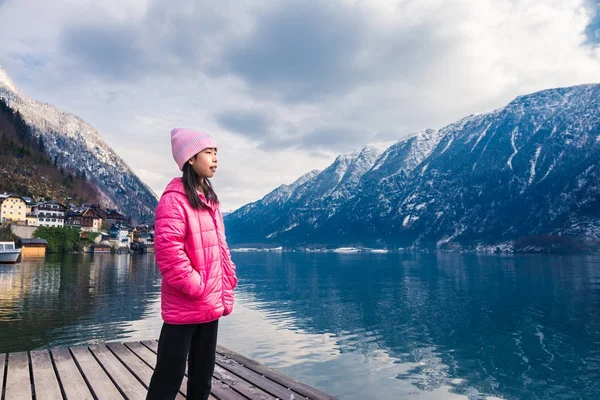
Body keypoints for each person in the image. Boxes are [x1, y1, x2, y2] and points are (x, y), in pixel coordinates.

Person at [146, 128, 238, 400]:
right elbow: (168, 252)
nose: (215, 158)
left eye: (216, 152)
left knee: (202, 376)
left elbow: (220, 247)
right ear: (190, 158)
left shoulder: (210, 199)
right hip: (187, 302)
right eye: (209, 152)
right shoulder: (174, 200)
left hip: (210, 301)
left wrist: (227, 277)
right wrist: (196, 286)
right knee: (168, 376)